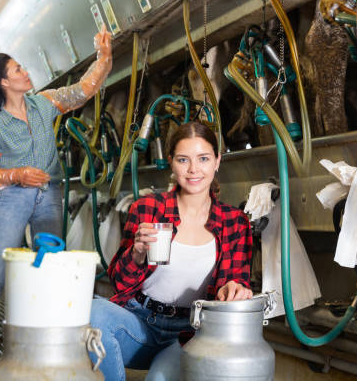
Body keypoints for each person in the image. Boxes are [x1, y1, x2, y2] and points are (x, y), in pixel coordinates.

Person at [0, 26, 112, 355]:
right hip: (13, 198)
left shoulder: (44, 104)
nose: (25, 71)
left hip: (50, 195)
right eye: (17, 69)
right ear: (4, 83)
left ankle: (42, 336)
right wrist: (16, 174)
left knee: (48, 263)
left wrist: (104, 57)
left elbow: (84, 90)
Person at [90, 121, 253, 381]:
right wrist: (137, 253)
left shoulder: (234, 221)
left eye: (203, 158)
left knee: (159, 378)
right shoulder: (148, 208)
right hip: (141, 322)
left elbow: (235, 282)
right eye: (183, 160)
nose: (193, 170)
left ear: (217, 161)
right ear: (171, 162)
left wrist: (234, 289)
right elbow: (119, 282)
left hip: (192, 332)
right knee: (92, 313)